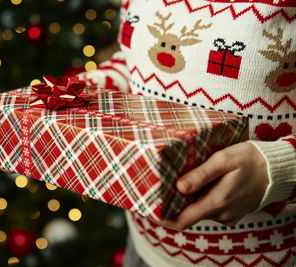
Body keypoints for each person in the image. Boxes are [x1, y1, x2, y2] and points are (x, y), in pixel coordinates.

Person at [77, 0, 296, 266]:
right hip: (145, 248)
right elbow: (133, 58)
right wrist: (87, 88)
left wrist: (277, 168)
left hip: (268, 255)